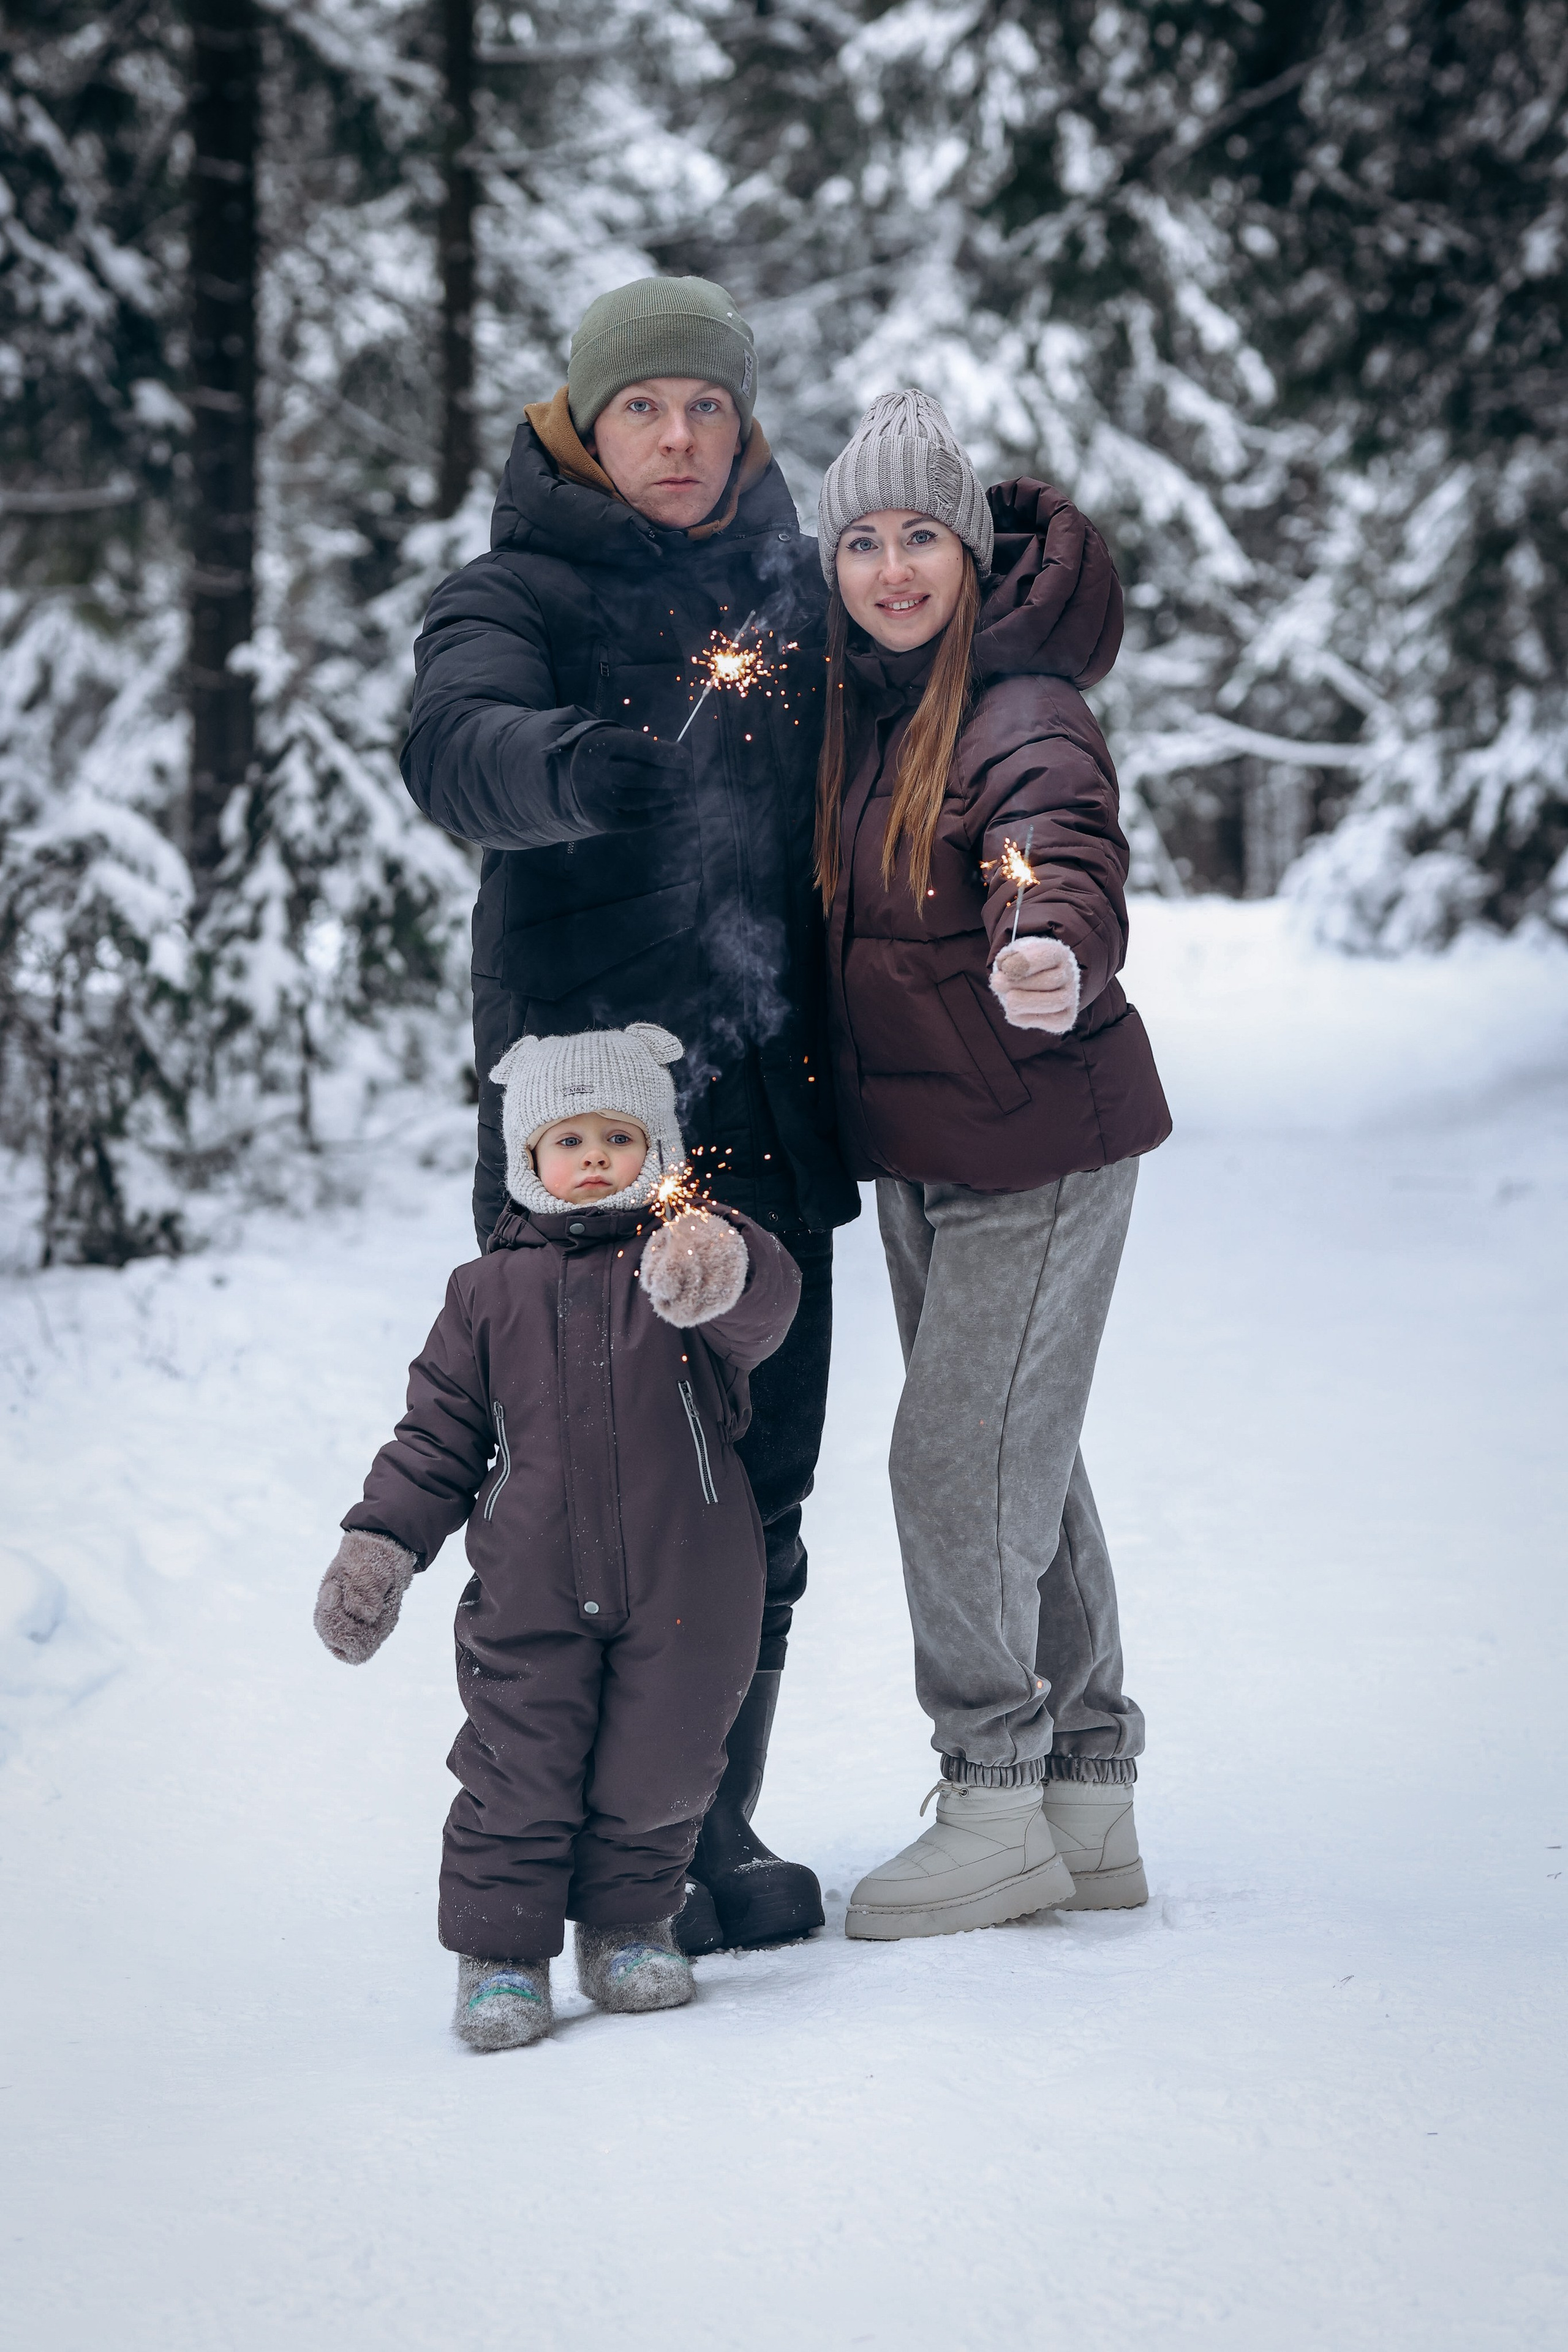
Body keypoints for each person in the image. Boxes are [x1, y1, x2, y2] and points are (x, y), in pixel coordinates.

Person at [399, 277, 859, 1952]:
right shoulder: (509, 591)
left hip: (773, 1108)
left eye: (708, 408)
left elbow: (944, 662)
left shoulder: (801, 602)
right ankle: (565, 1861)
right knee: (586, 1521)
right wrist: (571, 765)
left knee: (766, 1506)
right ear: (586, 428)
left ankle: (700, 1838)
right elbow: (452, 742)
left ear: (744, 429)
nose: (677, 436)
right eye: (644, 408)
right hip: (593, 1144)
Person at [813, 392, 1172, 1940]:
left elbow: (1058, 853)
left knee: (953, 1467)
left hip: (1030, 1145)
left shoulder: (1020, 710)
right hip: (925, 1150)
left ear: (968, 554)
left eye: (920, 540)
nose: (892, 570)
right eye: (862, 541)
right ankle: (1085, 1797)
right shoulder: (862, 706)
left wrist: (1050, 948)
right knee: (1025, 1463)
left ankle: (993, 1800)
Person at [312, 1023, 801, 2049]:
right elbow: (436, 1433)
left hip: (689, 1581)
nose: (591, 1159)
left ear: (655, 1149)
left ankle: (630, 1928)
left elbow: (763, 1313)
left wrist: (731, 1266)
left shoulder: (685, 1264)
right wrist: (380, 1544)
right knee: (515, 1768)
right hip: (529, 1584)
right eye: (565, 1141)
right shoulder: (487, 1292)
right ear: (528, 1160)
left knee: (661, 1766)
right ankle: (500, 1957)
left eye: (616, 1137)